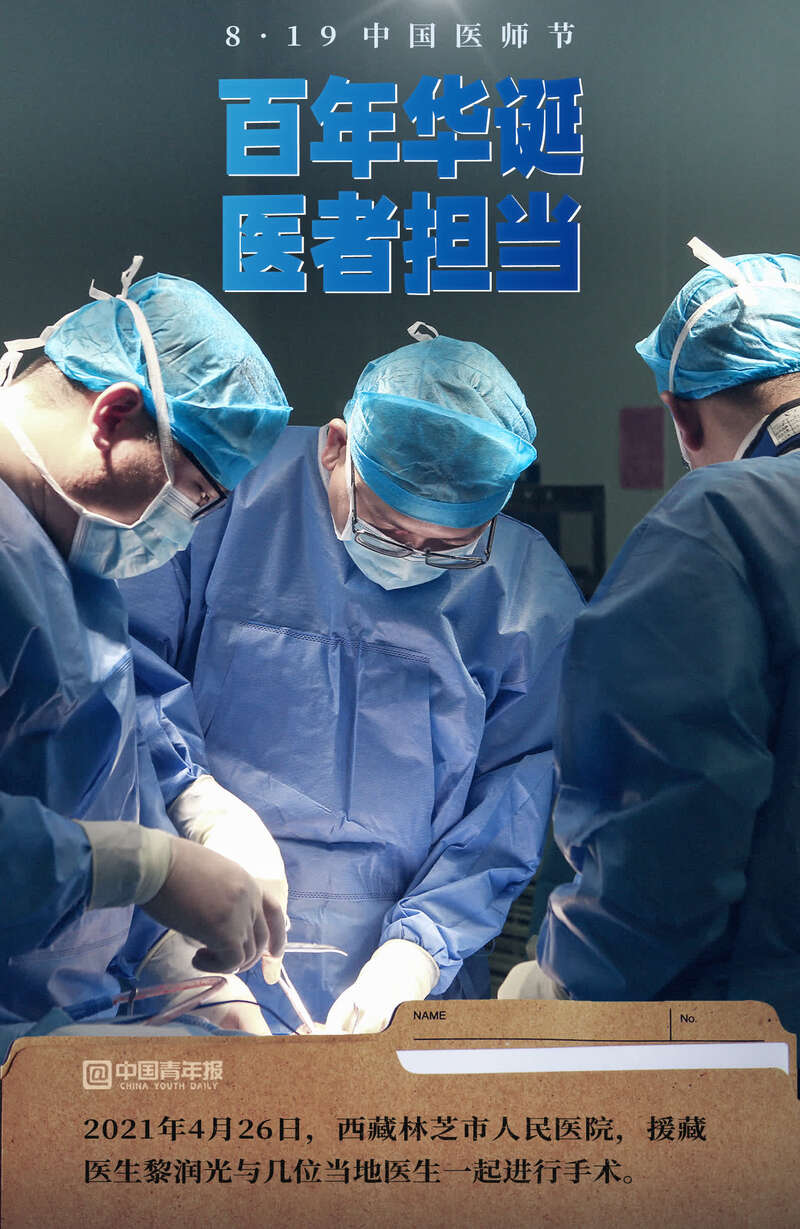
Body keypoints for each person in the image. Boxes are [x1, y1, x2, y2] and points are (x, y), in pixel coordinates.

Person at [122, 324, 584, 1033]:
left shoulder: (526, 592)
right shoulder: (223, 497)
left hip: (406, 984)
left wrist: (416, 954)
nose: (412, 559)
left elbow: (514, 796)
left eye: (448, 546)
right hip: (195, 934)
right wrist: (197, 808)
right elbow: (127, 678)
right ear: (337, 447)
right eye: (387, 529)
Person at [500, 239, 800, 1047]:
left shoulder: (721, 522)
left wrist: (566, 980)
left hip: (761, 1044)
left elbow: (667, 841)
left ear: (682, 415)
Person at [0, 257, 292, 1044]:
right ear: (113, 415)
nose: (185, 528)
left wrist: (166, 958)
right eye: (195, 494)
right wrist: (139, 866)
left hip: (58, 1020)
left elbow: (92, 778)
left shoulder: (66, 559)